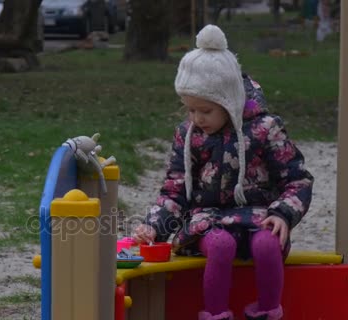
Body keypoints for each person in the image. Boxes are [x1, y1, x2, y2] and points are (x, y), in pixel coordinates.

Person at [132, 25, 314, 320]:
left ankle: (268, 312)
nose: (196, 118)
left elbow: (297, 178)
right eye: (190, 109)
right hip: (209, 220)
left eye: (205, 110)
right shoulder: (188, 135)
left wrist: (282, 213)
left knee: (268, 245)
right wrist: (155, 226)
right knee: (220, 245)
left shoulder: (264, 129)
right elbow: (175, 188)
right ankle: (216, 314)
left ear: (229, 104)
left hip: (257, 215)